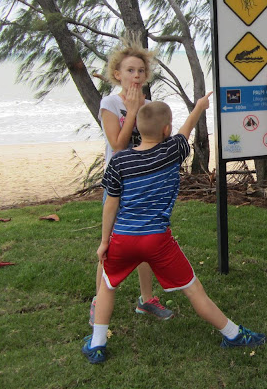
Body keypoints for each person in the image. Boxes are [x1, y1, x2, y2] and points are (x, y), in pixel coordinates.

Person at [82, 96, 267, 364]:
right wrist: (199, 107)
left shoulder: (119, 162)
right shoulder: (173, 151)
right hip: (157, 240)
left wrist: (104, 241)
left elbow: (110, 204)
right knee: (193, 289)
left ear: (137, 127)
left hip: (123, 238)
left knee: (107, 288)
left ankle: (97, 344)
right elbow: (186, 130)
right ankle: (233, 334)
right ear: (166, 129)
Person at [90, 38, 172, 325]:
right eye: (130, 70)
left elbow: (157, 143)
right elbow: (117, 144)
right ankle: (99, 300)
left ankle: (146, 300)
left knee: (146, 240)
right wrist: (133, 111)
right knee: (112, 245)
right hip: (119, 184)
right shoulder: (110, 103)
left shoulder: (150, 105)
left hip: (144, 184)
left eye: (140, 71)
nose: (136, 76)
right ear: (117, 74)